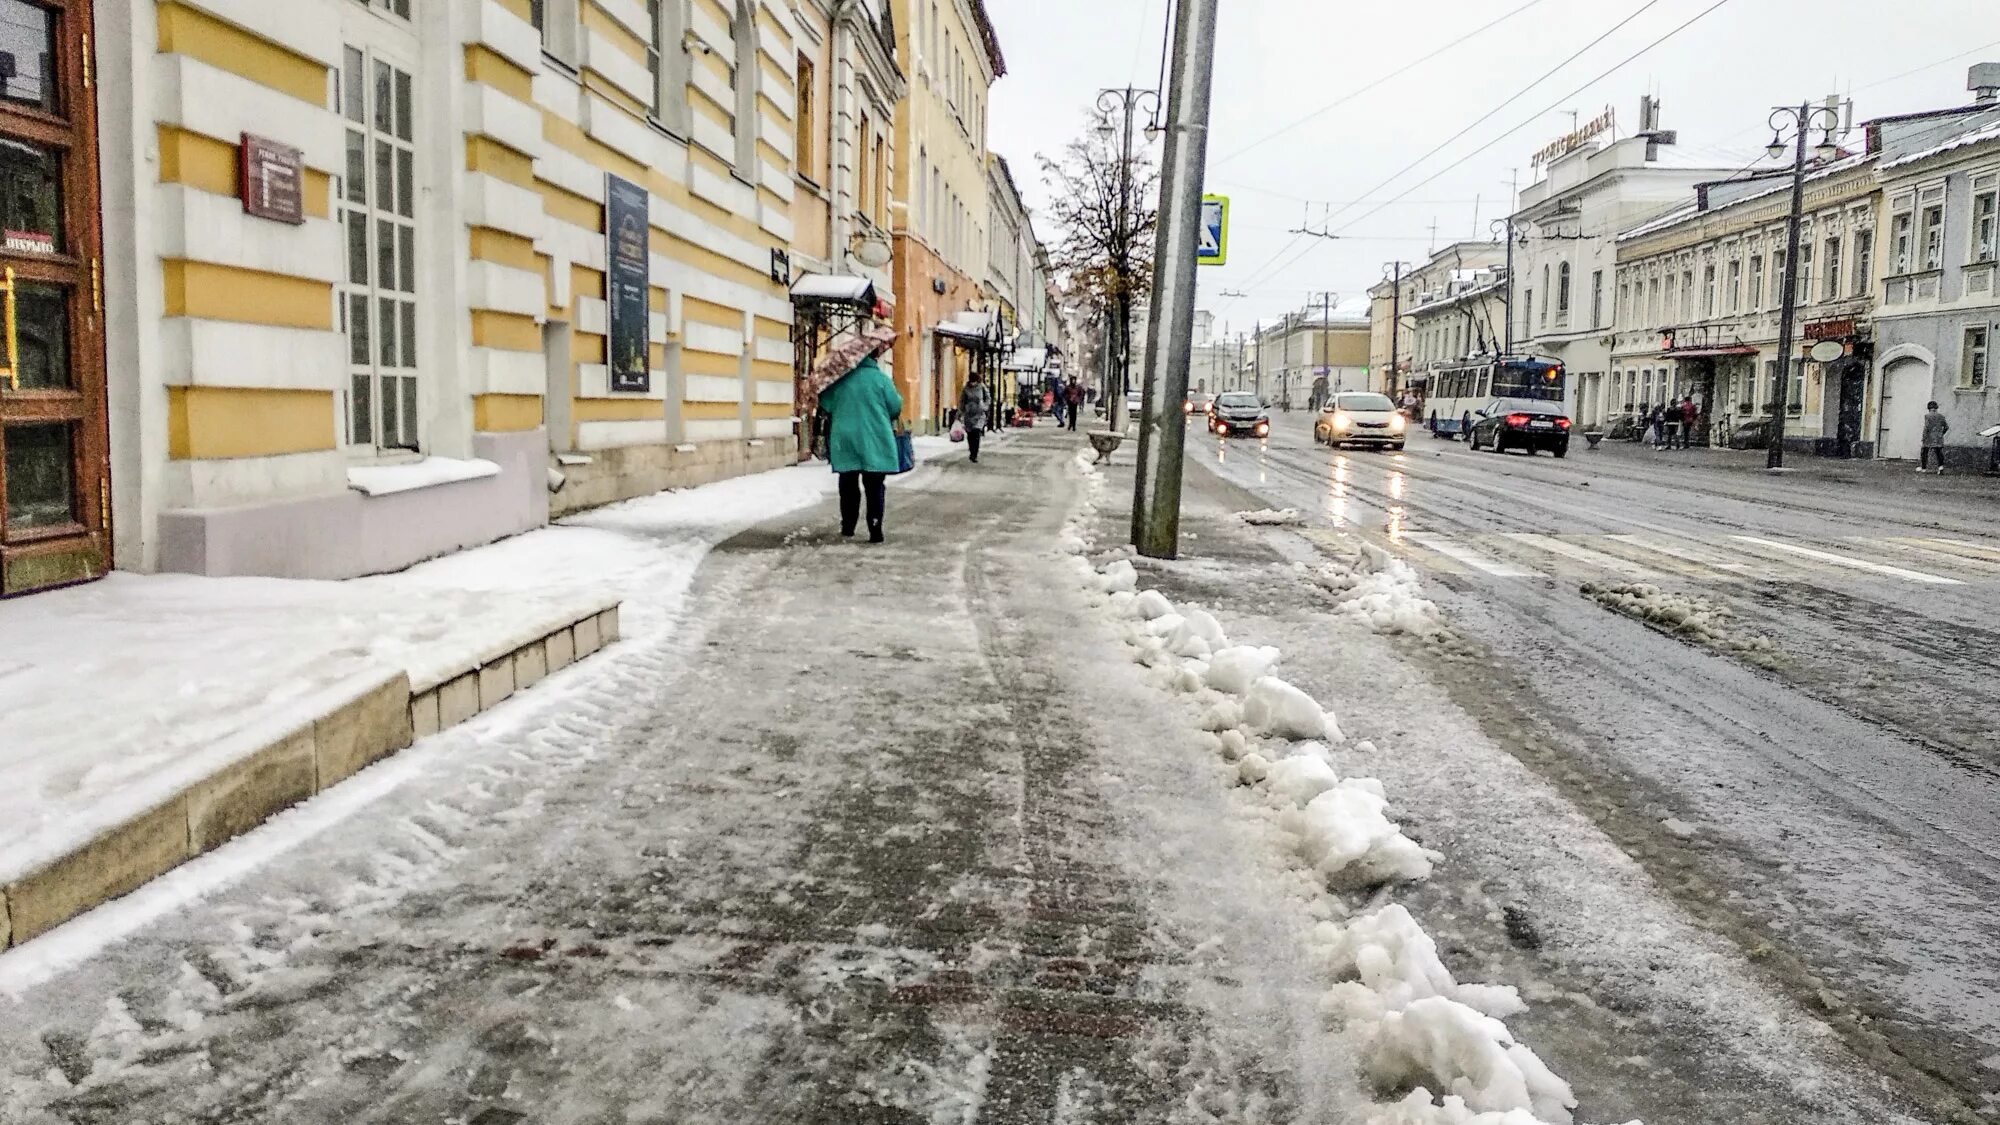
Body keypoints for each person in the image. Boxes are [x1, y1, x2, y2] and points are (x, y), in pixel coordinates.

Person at [814, 325, 903, 542]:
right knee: (874, 486)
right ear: (874, 357)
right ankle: (875, 527)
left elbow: (826, 402)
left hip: (845, 438)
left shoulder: (841, 380)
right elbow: (895, 407)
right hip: (875, 438)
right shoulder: (882, 380)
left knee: (848, 484)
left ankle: (848, 525)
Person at [959, 375, 991, 463]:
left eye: (974, 381)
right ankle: (971, 451)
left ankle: (974, 454)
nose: (973, 383)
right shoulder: (966, 388)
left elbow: (988, 397)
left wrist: (985, 406)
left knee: (976, 433)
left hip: (979, 414)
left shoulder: (982, 387)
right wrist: (961, 411)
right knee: (970, 434)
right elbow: (962, 400)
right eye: (971, 381)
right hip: (969, 414)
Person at [1920, 401, 1949, 473]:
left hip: (1929, 437)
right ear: (1936, 408)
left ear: (1928, 408)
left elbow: (1926, 427)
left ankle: (1923, 468)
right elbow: (1946, 427)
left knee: (1924, 452)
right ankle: (1940, 467)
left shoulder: (1927, 416)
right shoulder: (1941, 416)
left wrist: (1924, 437)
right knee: (1939, 453)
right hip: (1938, 437)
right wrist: (1941, 433)